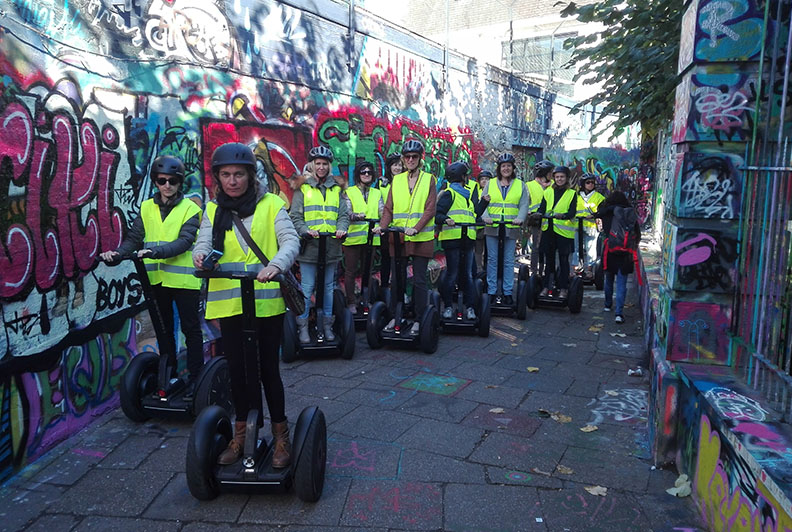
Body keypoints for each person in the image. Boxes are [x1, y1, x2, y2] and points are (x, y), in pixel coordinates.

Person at [193, 142, 300, 467]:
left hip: (265, 304)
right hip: (229, 304)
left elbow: (290, 240)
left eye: (238, 174)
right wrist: (200, 254)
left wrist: (277, 265)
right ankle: (242, 435)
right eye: (226, 174)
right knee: (238, 372)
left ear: (250, 176)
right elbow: (203, 241)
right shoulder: (213, 210)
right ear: (218, 177)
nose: (232, 180)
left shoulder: (271, 204)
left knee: (268, 370)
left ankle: (281, 435)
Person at [100, 155, 204, 398]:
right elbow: (134, 239)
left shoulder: (191, 209)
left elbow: (184, 241)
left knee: (191, 330)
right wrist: (117, 254)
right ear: (155, 182)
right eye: (161, 181)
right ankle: (170, 376)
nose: (167, 185)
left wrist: (155, 252)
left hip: (184, 281)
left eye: (172, 181)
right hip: (156, 280)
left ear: (180, 182)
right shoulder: (147, 207)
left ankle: (197, 379)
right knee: (164, 330)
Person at [373, 139, 437, 334]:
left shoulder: (428, 179)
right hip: (398, 238)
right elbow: (389, 208)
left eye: (414, 157)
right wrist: (382, 227)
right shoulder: (398, 180)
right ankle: (395, 316)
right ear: (403, 158)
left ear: (420, 158)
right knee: (397, 280)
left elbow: (430, 209)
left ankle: (419, 319)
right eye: (407, 157)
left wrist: (416, 228)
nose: (410, 160)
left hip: (420, 238)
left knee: (419, 280)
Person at [289, 146, 349, 343]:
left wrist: (341, 229)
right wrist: (304, 230)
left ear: (329, 166)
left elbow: (343, 215)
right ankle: (303, 327)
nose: (321, 167)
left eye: (324, 164)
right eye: (318, 164)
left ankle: (327, 325)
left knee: (329, 287)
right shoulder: (303, 188)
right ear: (312, 165)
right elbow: (295, 216)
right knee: (307, 287)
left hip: (331, 246)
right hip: (310, 247)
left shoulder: (337, 188)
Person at [436, 162, 488, 320]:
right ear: (462, 177)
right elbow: (437, 214)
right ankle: (448, 307)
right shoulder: (449, 194)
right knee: (452, 274)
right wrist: (446, 219)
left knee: (468, 275)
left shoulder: (467, 196)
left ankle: (470, 307)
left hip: (468, 241)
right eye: (466, 176)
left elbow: (473, 215)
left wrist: (484, 203)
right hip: (452, 240)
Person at [481, 153, 528, 305]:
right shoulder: (490, 183)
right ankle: (492, 291)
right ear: (499, 168)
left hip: (511, 225)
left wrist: (520, 218)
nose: (506, 168)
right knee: (492, 259)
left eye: (508, 166)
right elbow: (483, 203)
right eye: (503, 166)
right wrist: (486, 216)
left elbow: (524, 204)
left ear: (513, 168)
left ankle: (507, 292)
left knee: (508, 260)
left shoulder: (520, 185)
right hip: (492, 226)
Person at [342, 160, 384, 312]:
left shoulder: (377, 193)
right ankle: (351, 302)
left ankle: (365, 300)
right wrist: (357, 216)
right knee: (351, 271)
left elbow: (382, 211)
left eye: (369, 172)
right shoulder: (349, 192)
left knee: (368, 271)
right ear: (358, 175)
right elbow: (346, 212)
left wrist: (383, 224)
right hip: (353, 239)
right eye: (363, 172)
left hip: (371, 238)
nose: (366, 174)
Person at [531, 165, 578, 299]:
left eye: (562, 177)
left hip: (564, 233)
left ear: (567, 178)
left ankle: (563, 288)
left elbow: (572, 212)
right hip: (549, 230)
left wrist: (563, 215)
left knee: (563, 261)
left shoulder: (572, 193)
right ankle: (546, 286)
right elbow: (542, 208)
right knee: (549, 261)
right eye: (557, 177)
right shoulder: (548, 192)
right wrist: (538, 214)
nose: (559, 179)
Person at [595, 191, 641, 324]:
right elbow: (637, 234)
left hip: (610, 250)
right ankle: (619, 313)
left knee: (609, 279)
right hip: (626, 253)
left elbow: (599, 215)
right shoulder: (630, 213)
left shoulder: (608, 213)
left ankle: (607, 305)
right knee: (622, 283)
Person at [574, 173, 606, 279]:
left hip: (591, 226)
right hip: (576, 225)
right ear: (583, 184)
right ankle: (576, 268)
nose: (590, 184)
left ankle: (589, 270)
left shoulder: (599, 197)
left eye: (592, 182)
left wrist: (594, 215)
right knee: (576, 248)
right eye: (588, 182)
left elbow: (603, 211)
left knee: (590, 248)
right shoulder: (576, 197)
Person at [377, 153, 402, 289]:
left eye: (399, 165)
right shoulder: (382, 184)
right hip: (386, 228)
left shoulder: (407, 183)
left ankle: (399, 289)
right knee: (386, 259)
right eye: (394, 165)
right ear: (389, 167)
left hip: (401, 228)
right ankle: (384, 288)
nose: (397, 168)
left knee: (400, 260)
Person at [525, 160, 554, 276]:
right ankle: (534, 271)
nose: (552, 174)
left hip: (552, 220)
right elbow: (525, 203)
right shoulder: (529, 185)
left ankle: (548, 271)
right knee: (536, 247)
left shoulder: (553, 185)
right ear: (544, 173)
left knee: (550, 247)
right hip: (536, 220)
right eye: (550, 172)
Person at [474, 169, 493, 274]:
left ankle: (488, 269)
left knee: (489, 250)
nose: (484, 181)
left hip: (490, 225)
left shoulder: (493, 192)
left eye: (487, 179)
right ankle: (478, 269)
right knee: (478, 249)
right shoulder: (476, 192)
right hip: (479, 226)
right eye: (482, 179)